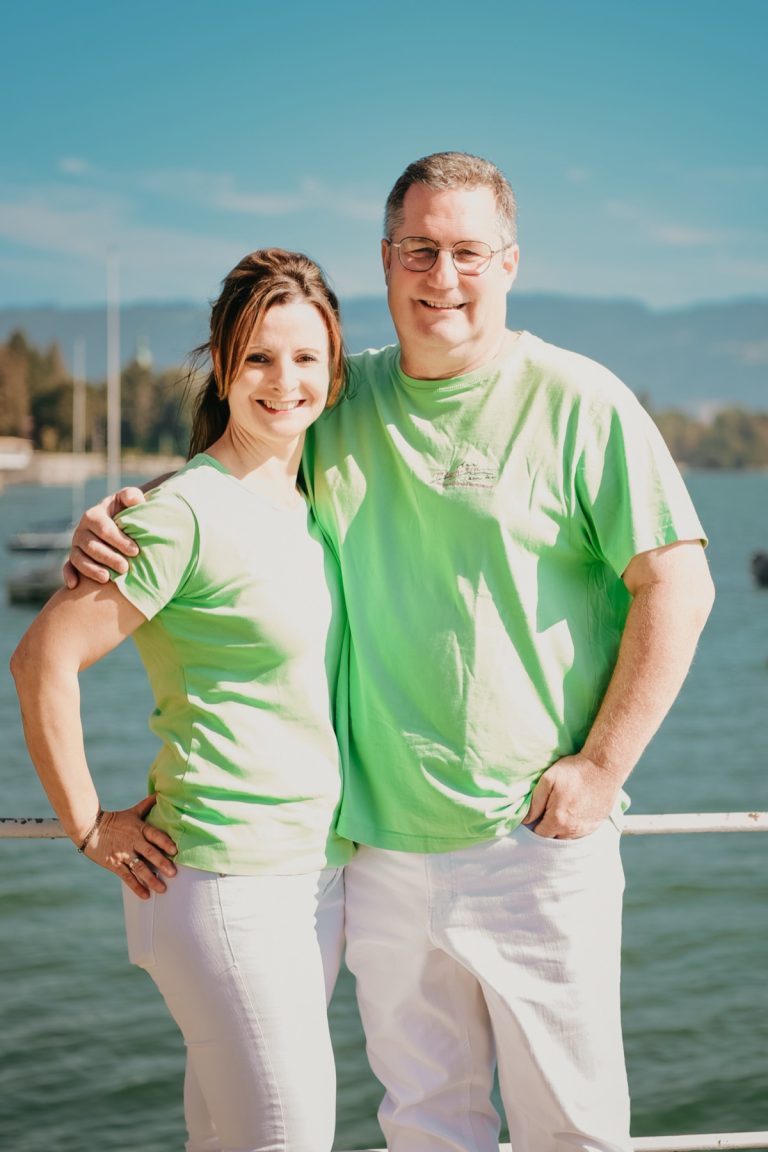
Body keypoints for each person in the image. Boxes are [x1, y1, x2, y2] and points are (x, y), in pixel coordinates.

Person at [67, 152, 715, 1152]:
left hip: (534, 844)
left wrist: (603, 767)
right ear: (384, 260)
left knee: (573, 1131)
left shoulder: (579, 400)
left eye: (467, 252)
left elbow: (678, 583)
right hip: (378, 855)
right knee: (425, 1124)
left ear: (509, 263)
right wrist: (119, 521)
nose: (442, 276)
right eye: (419, 249)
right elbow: (237, 463)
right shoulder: (339, 394)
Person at [12, 248, 355, 1152]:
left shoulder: (310, 508)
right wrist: (88, 825)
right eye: (258, 358)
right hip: (223, 879)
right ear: (222, 365)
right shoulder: (182, 513)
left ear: (335, 370)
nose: (284, 381)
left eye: (307, 358)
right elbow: (41, 661)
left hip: (313, 875)